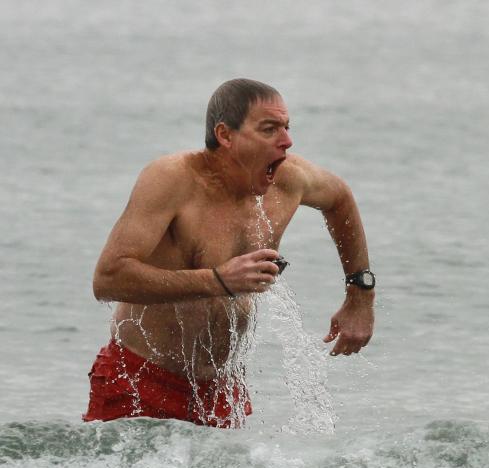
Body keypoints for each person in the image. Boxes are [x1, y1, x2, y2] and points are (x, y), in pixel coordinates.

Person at [83, 78, 375, 427]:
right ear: (225, 135)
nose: (287, 141)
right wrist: (217, 280)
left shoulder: (289, 179)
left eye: (286, 127)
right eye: (269, 129)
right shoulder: (173, 180)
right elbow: (108, 278)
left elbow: (340, 199)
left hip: (223, 392)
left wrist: (359, 294)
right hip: (140, 383)